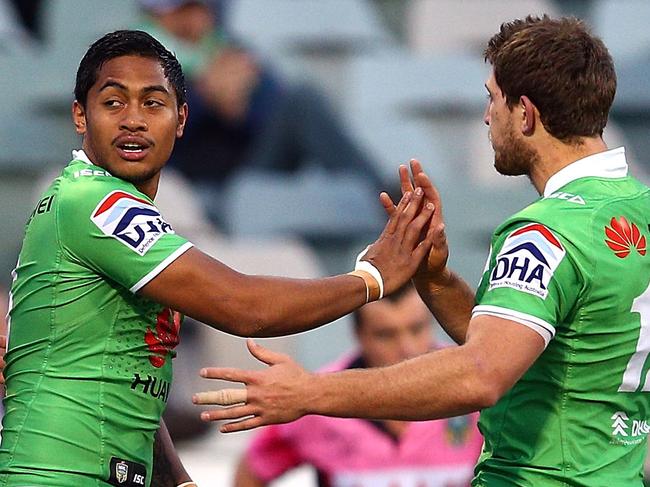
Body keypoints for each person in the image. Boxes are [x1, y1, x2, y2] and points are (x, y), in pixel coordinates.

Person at [195, 15, 650, 486]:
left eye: (493, 98)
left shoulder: (546, 233)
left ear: (526, 114)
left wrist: (309, 391)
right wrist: (435, 280)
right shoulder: (641, 210)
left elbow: (481, 373)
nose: (486, 116)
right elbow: (520, 350)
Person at [0, 29, 437, 487]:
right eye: (113, 103)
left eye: (152, 103)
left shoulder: (112, 212)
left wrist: (180, 480)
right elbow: (243, 306)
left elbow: (123, 375)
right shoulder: (95, 204)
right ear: (80, 116)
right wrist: (369, 279)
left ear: (181, 118)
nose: (133, 119)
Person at [136, 0, 386, 231]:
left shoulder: (230, 52)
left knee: (302, 99)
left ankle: (389, 200)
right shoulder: (135, 61)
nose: (193, 21)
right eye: (181, 12)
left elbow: (280, 111)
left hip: (248, 175)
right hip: (184, 188)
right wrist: (204, 99)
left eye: (198, 8)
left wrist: (240, 107)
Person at [235, 282, 483, 487]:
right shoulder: (315, 398)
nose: (407, 347)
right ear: (359, 335)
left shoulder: (475, 385)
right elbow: (253, 469)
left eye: (417, 329)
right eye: (386, 334)